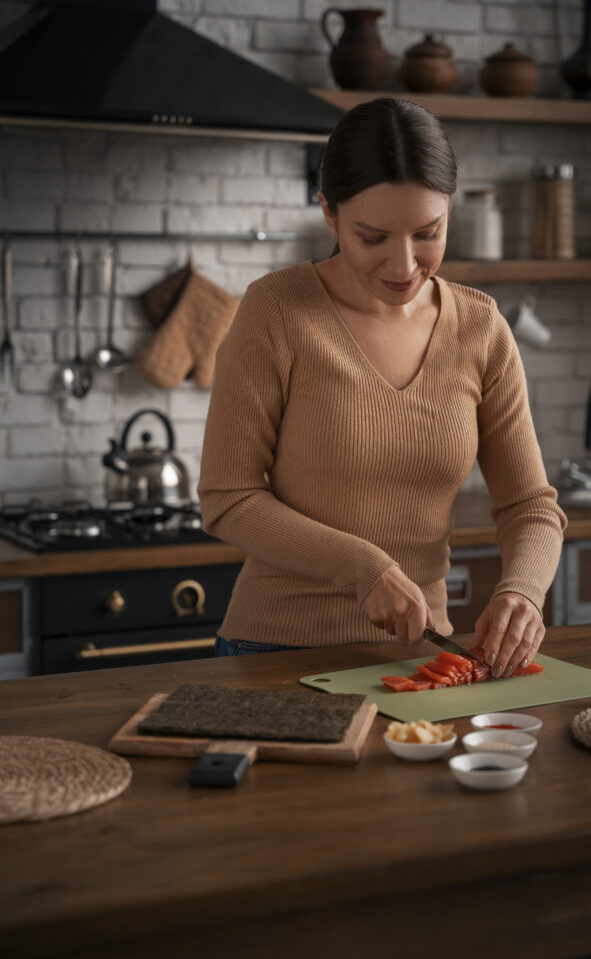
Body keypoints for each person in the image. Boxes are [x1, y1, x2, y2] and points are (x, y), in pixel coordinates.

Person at [198, 97, 567, 676]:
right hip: (276, 653)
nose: (404, 264)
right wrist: (363, 567)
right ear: (329, 213)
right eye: (372, 237)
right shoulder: (275, 311)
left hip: (427, 656)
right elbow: (229, 498)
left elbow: (530, 507)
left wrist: (522, 590)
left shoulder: (481, 327)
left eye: (428, 233)